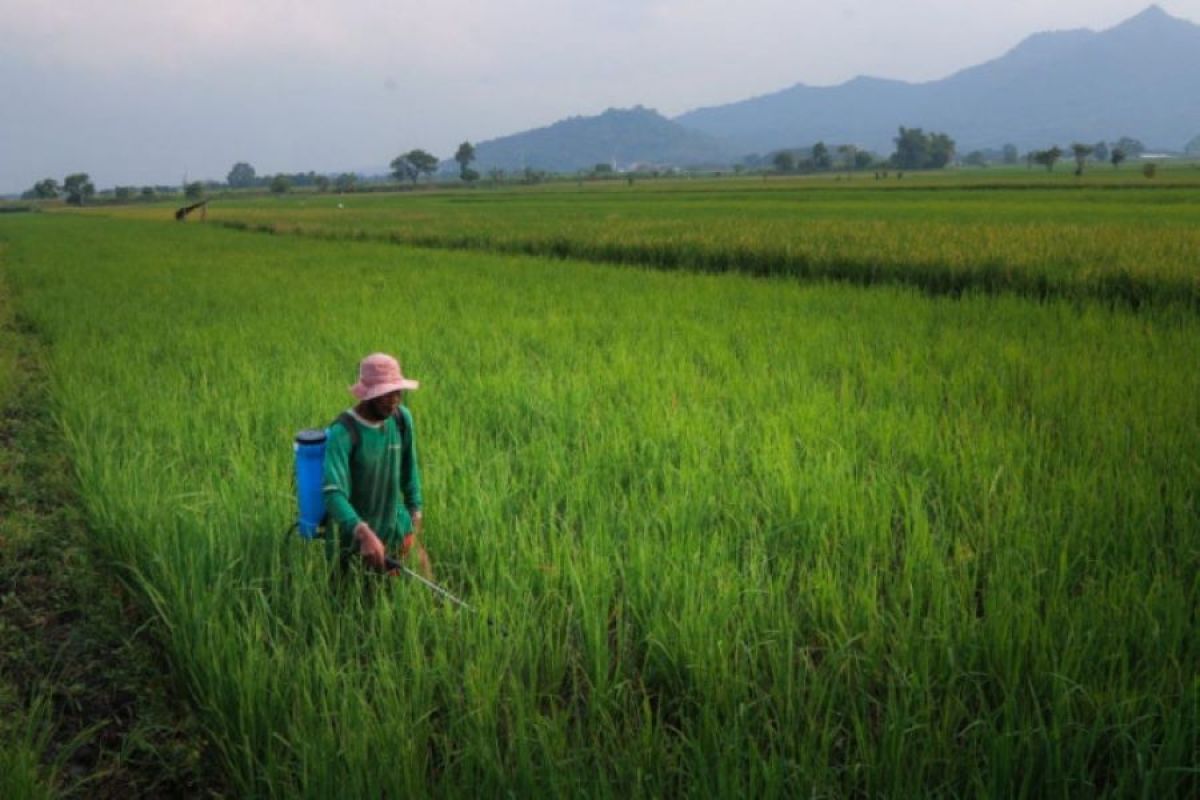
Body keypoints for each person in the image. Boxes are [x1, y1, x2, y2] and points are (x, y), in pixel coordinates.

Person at [322, 352, 432, 579]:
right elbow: (333, 493)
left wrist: (416, 511)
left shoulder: (401, 419)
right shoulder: (343, 433)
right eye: (386, 394)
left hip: (394, 523)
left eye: (398, 392)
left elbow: (409, 471)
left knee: (423, 578)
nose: (394, 400)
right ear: (367, 395)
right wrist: (363, 533)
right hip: (354, 535)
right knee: (359, 601)